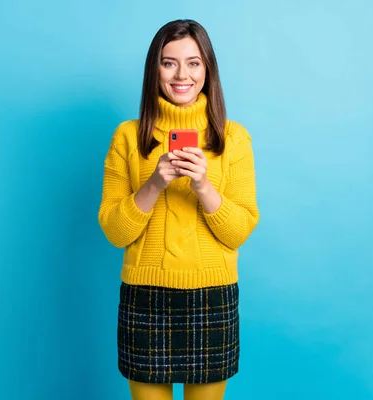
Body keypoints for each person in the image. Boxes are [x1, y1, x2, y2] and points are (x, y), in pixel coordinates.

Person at [98, 19, 259, 400]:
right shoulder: (127, 136)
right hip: (145, 295)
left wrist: (203, 185)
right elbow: (114, 232)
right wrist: (154, 183)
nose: (181, 74)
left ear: (208, 70)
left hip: (212, 294)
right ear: (154, 68)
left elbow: (238, 232)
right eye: (169, 63)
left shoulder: (233, 138)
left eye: (193, 63)